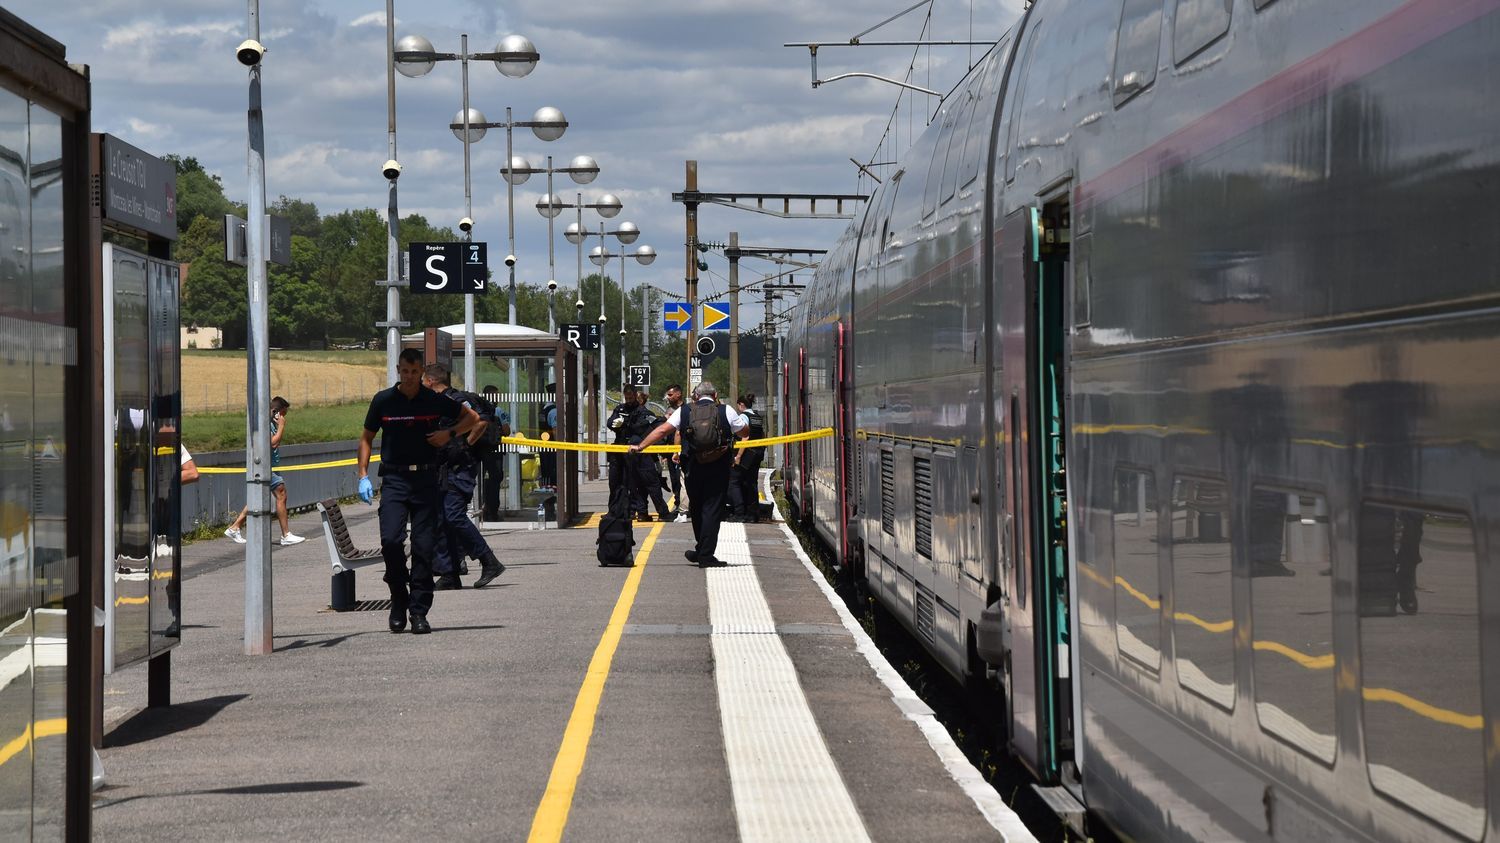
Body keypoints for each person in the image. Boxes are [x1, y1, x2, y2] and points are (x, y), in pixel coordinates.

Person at [356, 348, 481, 634]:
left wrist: (448, 434)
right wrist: (363, 474)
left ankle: (419, 611)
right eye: (405, 371)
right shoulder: (384, 401)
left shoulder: (433, 400)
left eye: (414, 372)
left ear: (421, 372)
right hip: (395, 481)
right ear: (398, 370)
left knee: (424, 548)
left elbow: (472, 418)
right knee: (390, 541)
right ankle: (398, 597)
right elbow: (366, 438)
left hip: (426, 480)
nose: (409, 377)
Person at [631, 381, 748, 567]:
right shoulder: (726, 410)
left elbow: (662, 430)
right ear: (715, 395)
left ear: (695, 396)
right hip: (718, 467)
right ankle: (706, 555)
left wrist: (640, 446)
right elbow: (744, 431)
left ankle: (702, 550)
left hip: (693, 467)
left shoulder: (684, 411)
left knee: (697, 508)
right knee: (712, 509)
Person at [420, 363, 507, 591]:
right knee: (443, 518)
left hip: (460, 468)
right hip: (445, 468)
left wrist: (465, 446)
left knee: (453, 515)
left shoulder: (454, 400)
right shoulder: (438, 402)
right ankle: (450, 572)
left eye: (422, 380)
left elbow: (480, 420)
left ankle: (489, 561)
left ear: (430, 381)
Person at [224, 396, 305, 546]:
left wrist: (278, 427)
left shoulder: (271, 423)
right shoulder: (264, 423)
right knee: (281, 494)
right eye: (283, 414)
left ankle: (235, 527)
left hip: (271, 465)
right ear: (276, 411)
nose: (283, 417)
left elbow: (277, 441)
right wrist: (281, 426)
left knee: (258, 497)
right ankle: (286, 535)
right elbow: (272, 444)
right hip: (267, 466)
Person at [607, 385, 672, 522]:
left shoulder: (643, 411)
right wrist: (615, 423)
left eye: (631, 397)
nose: (629, 400)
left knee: (650, 483)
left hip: (641, 453)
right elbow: (610, 422)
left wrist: (626, 423)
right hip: (624, 453)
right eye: (627, 398)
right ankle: (637, 512)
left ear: (636, 395)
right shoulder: (621, 409)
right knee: (630, 484)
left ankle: (662, 513)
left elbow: (652, 425)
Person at [727, 393, 766, 523]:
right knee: (751, 483)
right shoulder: (757, 417)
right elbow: (763, 435)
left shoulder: (744, 416)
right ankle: (753, 514)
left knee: (734, 482)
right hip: (757, 454)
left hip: (746, 455)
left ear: (741, 404)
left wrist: (738, 456)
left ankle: (739, 513)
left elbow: (745, 437)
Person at [478, 384, 507, 521]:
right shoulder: (499, 411)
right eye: (497, 394)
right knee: (495, 479)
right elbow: (506, 430)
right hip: (495, 450)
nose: (499, 397)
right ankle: (492, 511)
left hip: (479, 449)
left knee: (479, 480)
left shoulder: (478, 409)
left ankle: (480, 508)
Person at [662, 384, 687, 522]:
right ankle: (678, 503)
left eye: (670, 395)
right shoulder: (669, 411)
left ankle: (687, 506)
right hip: (670, 450)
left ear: (678, 394)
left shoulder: (687, 410)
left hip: (684, 450)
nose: (668, 397)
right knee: (675, 479)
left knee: (684, 479)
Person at [538, 383, 558, 488]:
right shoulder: (554, 411)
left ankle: (547, 489)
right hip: (552, 447)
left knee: (546, 471)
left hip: (543, 445)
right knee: (553, 471)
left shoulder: (544, 409)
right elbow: (556, 431)